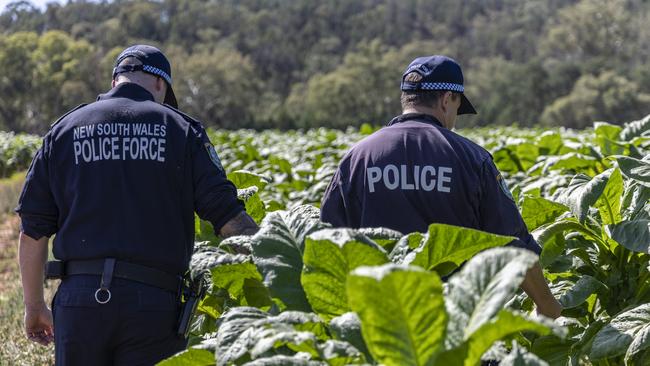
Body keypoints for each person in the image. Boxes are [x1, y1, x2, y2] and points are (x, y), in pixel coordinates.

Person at [16, 44, 259, 365]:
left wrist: (34, 307)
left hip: (80, 304)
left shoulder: (64, 130)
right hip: (153, 308)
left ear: (116, 80)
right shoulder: (181, 130)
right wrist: (274, 270)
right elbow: (231, 221)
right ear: (160, 84)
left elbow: (33, 230)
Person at [320, 55, 562, 319]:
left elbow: (327, 243)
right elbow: (512, 242)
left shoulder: (356, 158)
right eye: (458, 108)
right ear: (447, 99)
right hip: (455, 323)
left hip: (380, 323)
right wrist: (546, 304)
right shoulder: (472, 159)